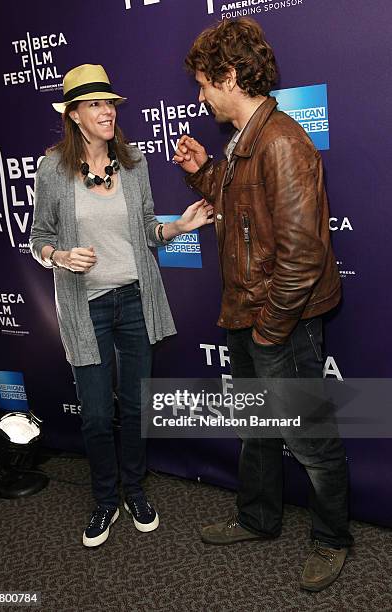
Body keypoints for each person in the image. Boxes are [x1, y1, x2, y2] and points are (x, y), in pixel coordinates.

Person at [174, 19, 353, 591]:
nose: (200, 97)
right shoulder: (249, 138)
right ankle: (257, 518)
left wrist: (272, 330)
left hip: (281, 321)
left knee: (310, 438)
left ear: (230, 76)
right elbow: (243, 204)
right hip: (251, 314)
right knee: (257, 427)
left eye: (204, 84)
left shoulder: (281, 142)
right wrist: (203, 171)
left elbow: (302, 256)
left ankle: (332, 538)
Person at [30, 64, 213, 548]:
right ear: (73, 114)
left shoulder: (133, 164)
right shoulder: (52, 168)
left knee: (134, 406)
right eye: (95, 104)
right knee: (94, 414)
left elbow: (148, 230)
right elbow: (38, 239)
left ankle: (134, 490)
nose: (107, 111)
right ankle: (104, 499)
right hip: (84, 307)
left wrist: (177, 228)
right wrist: (60, 256)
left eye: (109, 102)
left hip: (134, 301)